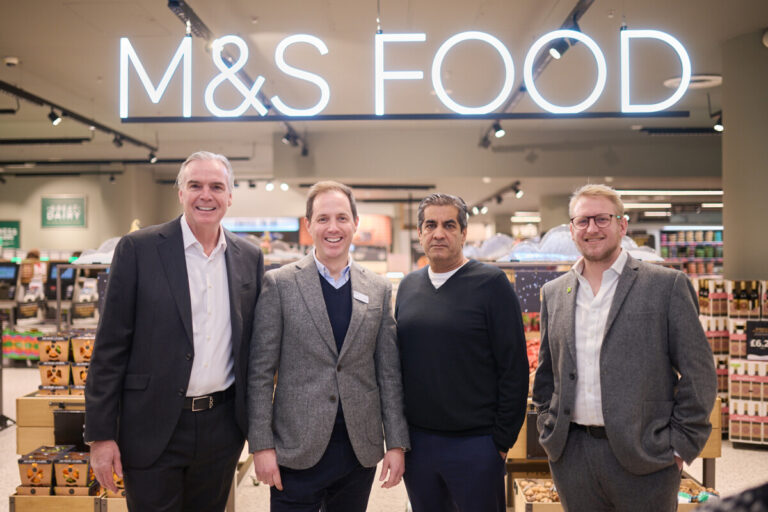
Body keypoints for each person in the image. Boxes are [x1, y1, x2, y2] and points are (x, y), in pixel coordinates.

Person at [85, 151, 264, 511]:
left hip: (221, 426)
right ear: (179, 193)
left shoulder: (249, 256)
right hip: (152, 424)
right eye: (195, 185)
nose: (205, 195)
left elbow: (253, 349)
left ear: (230, 196)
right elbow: (109, 348)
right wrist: (101, 436)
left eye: (216, 186)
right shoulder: (139, 249)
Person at [532, 184, 717, 512]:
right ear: (572, 229)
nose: (592, 229)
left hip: (647, 457)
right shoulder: (554, 292)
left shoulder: (665, 286)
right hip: (572, 457)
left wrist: (679, 445)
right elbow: (547, 374)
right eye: (583, 221)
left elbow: (699, 372)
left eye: (602, 219)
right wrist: (550, 432)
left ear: (622, 225)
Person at [248, 181, 409, 512]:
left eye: (341, 218)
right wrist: (261, 446)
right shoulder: (280, 284)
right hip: (295, 448)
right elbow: (261, 372)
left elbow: (388, 374)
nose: (332, 228)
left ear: (355, 224)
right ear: (309, 225)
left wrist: (396, 442)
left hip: (356, 451)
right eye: (322, 219)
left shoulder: (378, 289)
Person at [395, 193, 529, 512]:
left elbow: (514, 367)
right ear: (420, 233)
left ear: (463, 233)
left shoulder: (492, 284)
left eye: (449, 225)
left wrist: (500, 441)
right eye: (430, 225)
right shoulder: (408, 286)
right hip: (419, 445)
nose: (438, 233)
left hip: (477, 445)